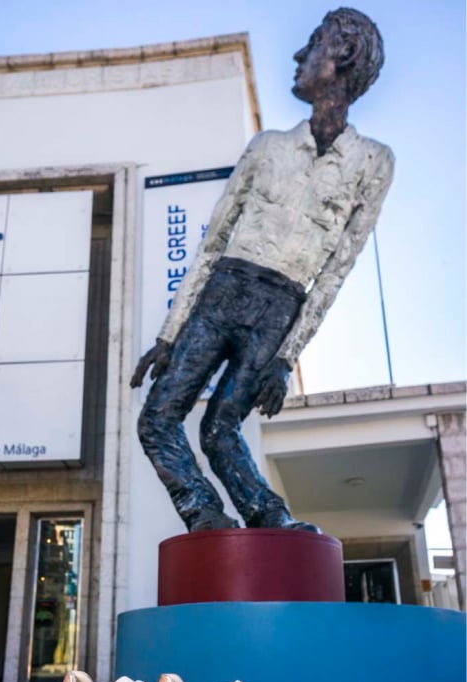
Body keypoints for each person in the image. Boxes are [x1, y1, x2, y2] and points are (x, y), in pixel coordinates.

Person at [131, 7, 394, 533]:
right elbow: (211, 245)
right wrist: (170, 333)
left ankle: (272, 519)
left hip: (280, 307)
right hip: (224, 291)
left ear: (341, 55)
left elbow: (338, 269)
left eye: (314, 42)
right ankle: (204, 513)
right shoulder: (267, 146)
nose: (299, 56)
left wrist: (286, 357)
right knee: (158, 418)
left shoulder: (373, 161)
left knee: (221, 428)